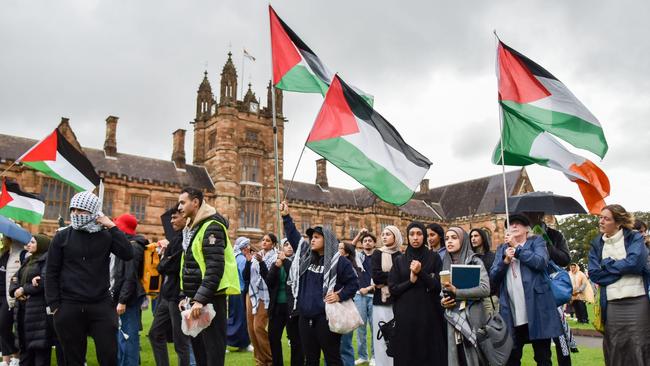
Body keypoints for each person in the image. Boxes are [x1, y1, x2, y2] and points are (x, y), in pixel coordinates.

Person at [45, 191, 134, 366]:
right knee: (74, 359)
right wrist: (55, 306)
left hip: (100, 304)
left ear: (94, 212)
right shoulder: (62, 237)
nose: (77, 214)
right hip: (69, 306)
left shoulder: (106, 235)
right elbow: (51, 272)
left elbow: (127, 253)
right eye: (74, 210)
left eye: (82, 211)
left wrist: (112, 226)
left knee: (108, 355)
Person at [280, 201, 360, 366]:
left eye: (316, 237)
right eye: (311, 237)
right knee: (310, 360)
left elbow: (353, 283)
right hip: (304, 318)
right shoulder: (306, 257)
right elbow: (294, 236)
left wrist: (339, 295)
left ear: (327, 239)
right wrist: (286, 216)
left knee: (332, 359)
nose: (312, 240)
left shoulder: (339, 262)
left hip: (326, 318)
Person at [177, 187, 240, 366]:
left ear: (195, 202)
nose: (179, 207)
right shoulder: (192, 228)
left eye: (183, 202)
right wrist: (184, 295)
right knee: (200, 355)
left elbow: (214, 268)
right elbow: (189, 266)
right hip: (196, 300)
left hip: (210, 299)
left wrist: (200, 299)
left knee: (213, 354)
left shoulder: (212, 227)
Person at [490, 214, 562, 366]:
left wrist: (517, 248)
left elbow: (541, 262)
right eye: (511, 224)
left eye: (519, 223)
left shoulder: (537, 242)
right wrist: (505, 261)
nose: (514, 226)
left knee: (543, 357)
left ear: (526, 229)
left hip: (537, 309)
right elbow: (493, 277)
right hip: (512, 311)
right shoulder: (502, 249)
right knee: (512, 358)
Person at [588, 204, 650, 365]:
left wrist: (607, 265)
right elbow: (595, 274)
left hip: (638, 301)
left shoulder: (634, 238)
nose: (601, 221)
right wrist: (624, 268)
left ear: (618, 222)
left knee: (640, 344)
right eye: (600, 217)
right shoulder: (597, 244)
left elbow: (636, 263)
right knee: (615, 346)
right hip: (612, 303)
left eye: (606, 218)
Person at [388, 221, 446, 366]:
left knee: (428, 354)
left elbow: (438, 286)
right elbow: (393, 289)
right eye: (412, 234)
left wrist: (421, 273)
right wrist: (410, 281)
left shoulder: (434, 258)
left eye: (419, 234)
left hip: (429, 315)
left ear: (424, 236)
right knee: (407, 354)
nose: (415, 238)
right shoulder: (399, 260)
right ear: (407, 237)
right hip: (405, 316)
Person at [523, 211, 574, 365]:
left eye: (534, 215)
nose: (532, 218)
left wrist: (546, 242)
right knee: (541, 346)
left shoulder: (554, 235)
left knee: (561, 338)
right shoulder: (521, 237)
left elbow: (565, 259)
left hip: (552, 290)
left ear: (541, 215)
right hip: (533, 292)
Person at [10, 234, 63, 366]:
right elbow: (14, 279)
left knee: (40, 352)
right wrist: (16, 291)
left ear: (42, 245)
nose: (28, 245)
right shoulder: (28, 260)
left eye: (32, 242)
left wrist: (24, 289)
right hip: (23, 310)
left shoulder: (47, 261)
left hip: (38, 312)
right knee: (25, 350)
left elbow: (43, 282)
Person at [148, 208, 192, 366]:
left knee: (181, 342)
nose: (172, 221)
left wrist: (165, 260)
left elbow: (168, 267)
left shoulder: (185, 239)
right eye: (171, 218)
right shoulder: (175, 239)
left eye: (175, 217)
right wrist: (166, 258)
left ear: (184, 217)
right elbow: (164, 266)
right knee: (154, 334)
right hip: (167, 295)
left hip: (178, 297)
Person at [441, 227, 490, 366]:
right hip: (452, 318)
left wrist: (457, 292)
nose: (449, 241)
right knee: (458, 359)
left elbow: (485, 289)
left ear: (463, 240)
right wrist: (443, 301)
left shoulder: (474, 261)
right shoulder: (445, 262)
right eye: (447, 238)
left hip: (472, 317)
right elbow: (442, 291)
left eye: (454, 238)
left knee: (475, 358)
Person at [112, 213, 148, 366]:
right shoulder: (127, 245)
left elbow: (130, 276)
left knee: (128, 337)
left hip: (129, 299)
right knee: (123, 336)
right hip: (125, 297)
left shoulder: (133, 247)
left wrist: (122, 300)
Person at [265, 240, 302, 366]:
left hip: (292, 307)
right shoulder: (277, 262)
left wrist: (285, 261)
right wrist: (276, 266)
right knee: (273, 337)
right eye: (286, 245)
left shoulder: (298, 262)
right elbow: (269, 282)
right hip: (277, 307)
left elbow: (294, 276)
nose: (289, 247)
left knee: (295, 339)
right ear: (282, 248)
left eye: (292, 244)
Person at [243, 234, 277, 366]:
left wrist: (261, 262)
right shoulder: (256, 256)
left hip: (265, 296)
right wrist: (247, 261)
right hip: (251, 294)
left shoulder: (274, 257)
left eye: (268, 240)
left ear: (273, 244)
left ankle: (269, 359)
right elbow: (246, 276)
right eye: (263, 240)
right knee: (251, 329)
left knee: (258, 328)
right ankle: (260, 361)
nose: (264, 242)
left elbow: (269, 278)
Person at [350, 230, 375, 365]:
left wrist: (369, 288)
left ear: (374, 243)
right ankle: (363, 356)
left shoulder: (378, 256)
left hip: (374, 294)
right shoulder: (358, 256)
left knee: (374, 327)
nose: (367, 242)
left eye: (370, 240)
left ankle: (375, 357)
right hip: (359, 296)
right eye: (365, 241)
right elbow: (350, 248)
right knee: (361, 328)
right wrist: (359, 234)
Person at [0, 234, 24, 366]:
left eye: (5, 236)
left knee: (3, 326)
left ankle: (16, 354)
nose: (3, 238)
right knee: (3, 329)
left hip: (8, 296)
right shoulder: (3, 252)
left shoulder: (20, 254)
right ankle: (6, 360)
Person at [227, 237, 252, 352]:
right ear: (244, 247)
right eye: (248, 246)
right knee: (240, 318)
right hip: (240, 291)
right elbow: (245, 276)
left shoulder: (234, 257)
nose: (249, 247)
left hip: (234, 291)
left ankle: (243, 344)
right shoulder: (241, 259)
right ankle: (226, 341)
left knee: (235, 317)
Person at [338, 243, 361, 366]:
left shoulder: (349, 267)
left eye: (340, 248)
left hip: (345, 308)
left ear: (346, 253)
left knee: (345, 345)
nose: (337, 250)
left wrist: (339, 295)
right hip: (331, 309)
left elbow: (352, 287)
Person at [469, 227, 498, 314]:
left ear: (483, 237)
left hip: (489, 299)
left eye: (476, 236)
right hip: (474, 300)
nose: (473, 239)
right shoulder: (470, 258)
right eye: (471, 236)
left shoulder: (492, 256)